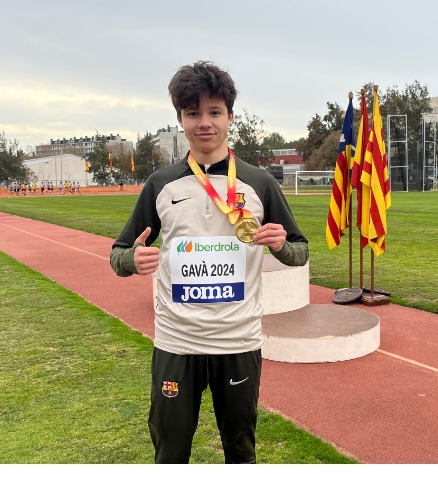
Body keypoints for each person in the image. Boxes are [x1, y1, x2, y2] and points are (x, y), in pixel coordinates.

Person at [109, 60, 309, 464]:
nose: (205, 122)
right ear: (180, 119)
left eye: (214, 112)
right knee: (171, 451)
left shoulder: (259, 182)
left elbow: (300, 250)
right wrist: (134, 259)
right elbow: (117, 255)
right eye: (193, 113)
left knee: (240, 451)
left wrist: (281, 246)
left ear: (230, 117)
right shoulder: (161, 184)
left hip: (237, 341)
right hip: (176, 342)